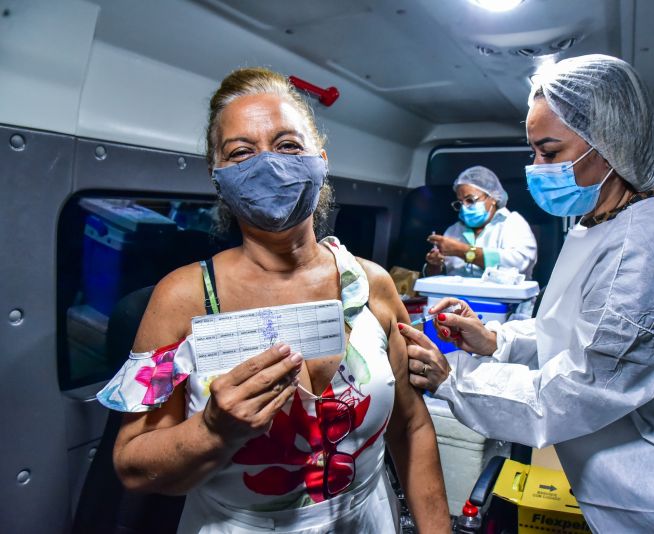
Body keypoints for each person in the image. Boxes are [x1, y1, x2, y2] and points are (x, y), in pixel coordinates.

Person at [399, 54, 654, 532]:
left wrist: (453, 380)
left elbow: (574, 392)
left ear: (614, 145)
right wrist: (495, 340)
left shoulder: (648, 249)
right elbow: (577, 329)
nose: (536, 168)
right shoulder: (607, 224)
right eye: (533, 152)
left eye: (550, 152)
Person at [96, 67, 450, 533]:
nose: (268, 164)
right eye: (241, 152)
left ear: (320, 160)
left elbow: (412, 427)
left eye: (287, 146)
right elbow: (131, 463)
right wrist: (212, 431)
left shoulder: (372, 285)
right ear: (218, 177)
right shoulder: (182, 299)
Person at [424, 166, 537, 279]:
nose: (464, 207)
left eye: (470, 200)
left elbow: (520, 263)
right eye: (460, 203)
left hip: (501, 295)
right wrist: (434, 266)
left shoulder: (512, 223)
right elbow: (438, 277)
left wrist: (463, 252)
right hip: (456, 294)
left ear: (492, 197)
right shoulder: (454, 230)